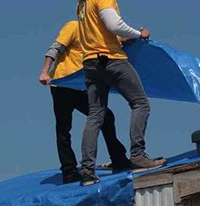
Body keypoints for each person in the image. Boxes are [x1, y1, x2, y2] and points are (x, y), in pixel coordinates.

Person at [76, 0, 165, 186]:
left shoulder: (83, 2)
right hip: (111, 61)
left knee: (95, 115)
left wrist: (121, 39)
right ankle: (138, 155)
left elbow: (100, 32)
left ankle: (86, 170)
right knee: (140, 103)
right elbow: (113, 23)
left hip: (90, 63)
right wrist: (138, 33)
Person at [38, 20, 131, 184]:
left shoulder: (99, 33)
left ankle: (118, 160)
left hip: (82, 86)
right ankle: (69, 171)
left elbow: (120, 40)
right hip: (62, 84)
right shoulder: (74, 27)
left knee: (106, 116)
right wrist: (45, 71)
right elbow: (55, 48)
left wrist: (138, 34)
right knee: (64, 128)